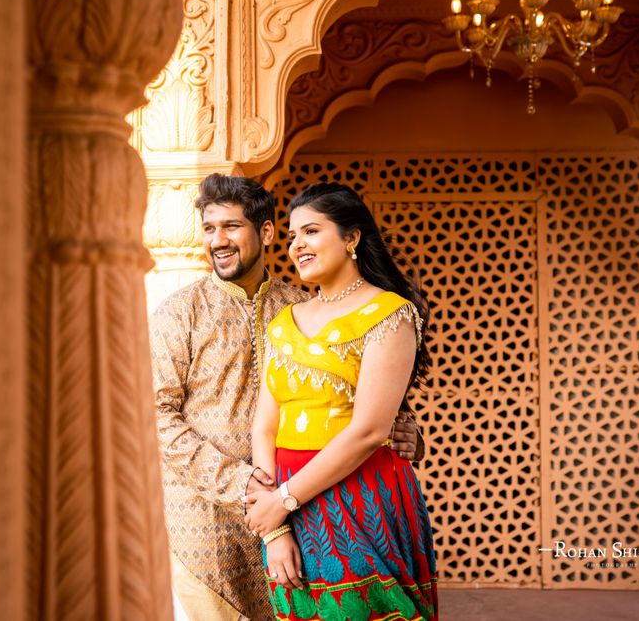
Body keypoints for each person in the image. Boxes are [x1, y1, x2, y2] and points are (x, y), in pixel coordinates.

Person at [150, 174, 427, 621]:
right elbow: (155, 417)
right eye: (209, 228)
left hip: (309, 502)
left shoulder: (298, 306)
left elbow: (363, 397)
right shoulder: (180, 312)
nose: (217, 240)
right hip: (207, 519)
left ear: (265, 233)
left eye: (231, 227)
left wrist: (405, 428)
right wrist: (241, 485)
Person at [244, 183, 439, 621]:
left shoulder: (389, 314)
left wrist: (284, 500)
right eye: (293, 236)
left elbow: (369, 430)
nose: (297, 246)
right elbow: (265, 427)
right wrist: (274, 527)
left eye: (311, 232)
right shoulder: (283, 323)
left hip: (359, 491)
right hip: (287, 497)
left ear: (351, 238)